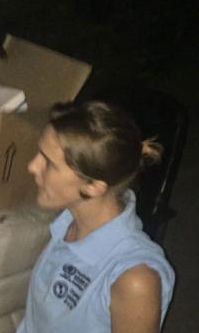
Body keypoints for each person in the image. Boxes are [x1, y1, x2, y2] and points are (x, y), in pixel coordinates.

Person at [19, 101, 175, 333]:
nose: (32, 166)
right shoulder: (68, 223)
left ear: (93, 187)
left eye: (49, 163)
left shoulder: (134, 279)